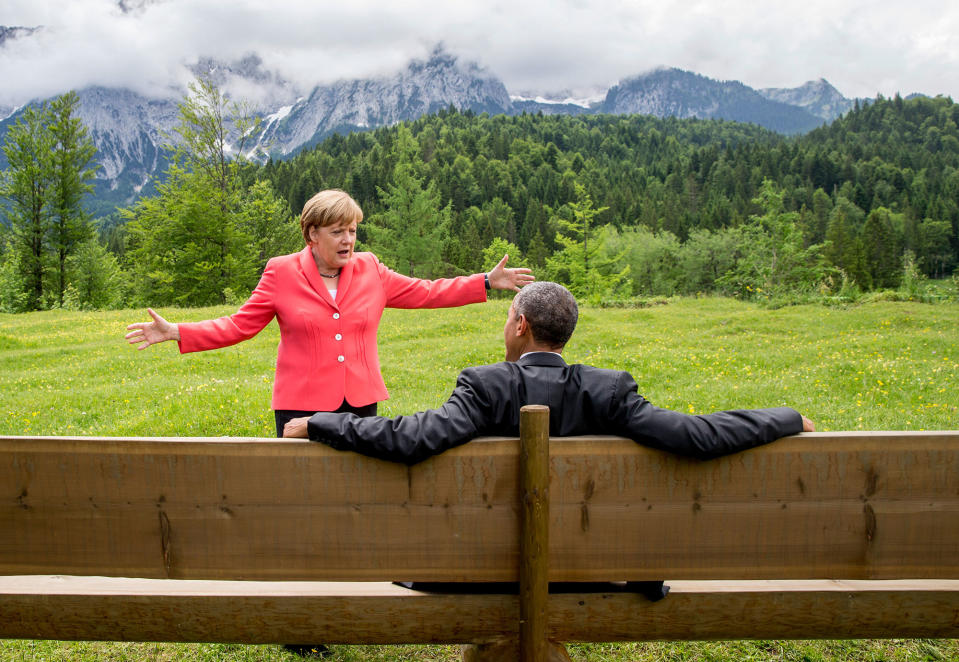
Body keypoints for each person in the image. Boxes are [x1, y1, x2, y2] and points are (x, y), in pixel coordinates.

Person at [125, 189, 534, 438]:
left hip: (359, 402)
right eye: (338, 231)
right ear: (312, 234)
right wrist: (178, 331)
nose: (348, 240)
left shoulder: (371, 268)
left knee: (356, 489)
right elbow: (238, 325)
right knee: (302, 492)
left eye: (353, 230)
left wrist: (483, 281)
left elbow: (425, 292)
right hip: (300, 404)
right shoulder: (281, 272)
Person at [283, 281, 815, 462]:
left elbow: (412, 438)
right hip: (592, 568)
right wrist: (785, 417)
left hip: (480, 573)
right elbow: (696, 435)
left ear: (519, 325)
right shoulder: (609, 391)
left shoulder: (484, 386)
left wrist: (322, 422)